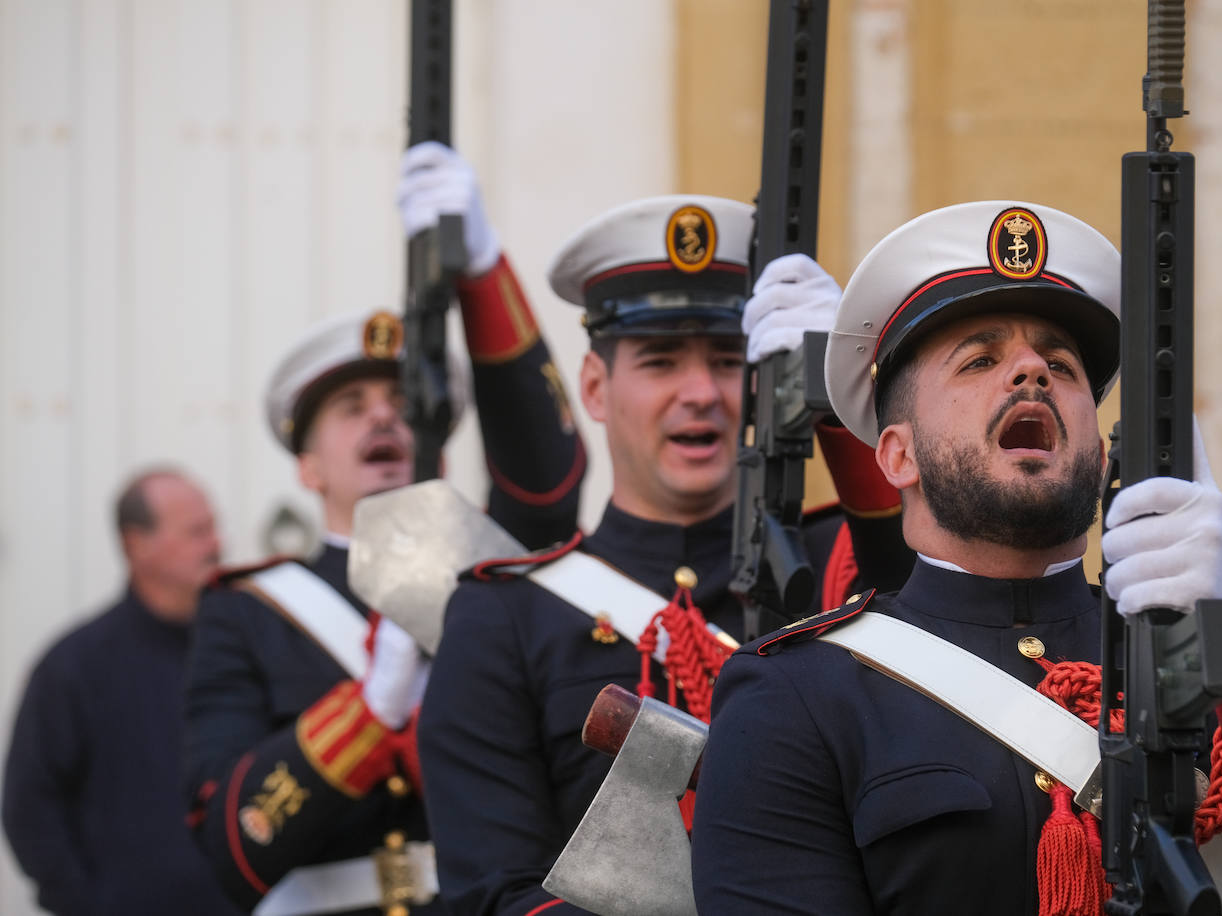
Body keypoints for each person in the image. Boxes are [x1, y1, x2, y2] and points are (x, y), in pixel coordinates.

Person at [690, 200, 1222, 913]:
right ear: (898, 454)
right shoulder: (797, 697)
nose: (1030, 373)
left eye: (1061, 364)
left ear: (1102, 451)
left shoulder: (1206, 663)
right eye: (981, 359)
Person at [417, 194, 915, 915]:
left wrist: (839, 390)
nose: (701, 393)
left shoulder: (839, 557)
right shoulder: (504, 620)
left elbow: (929, 592)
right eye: (659, 361)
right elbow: (492, 892)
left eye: (725, 360)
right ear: (595, 387)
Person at [181, 142, 586, 916]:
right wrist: (370, 710)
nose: (381, 417)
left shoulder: (487, 579)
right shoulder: (247, 612)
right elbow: (233, 842)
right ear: (308, 467)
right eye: (351, 407)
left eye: (402, 402)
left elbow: (549, 482)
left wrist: (481, 269)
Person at [2, 469, 237, 916]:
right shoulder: (74, 667)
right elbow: (29, 808)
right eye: (196, 532)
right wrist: (87, 905)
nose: (216, 545)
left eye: (213, 527)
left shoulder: (242, 652)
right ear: (136, 545)